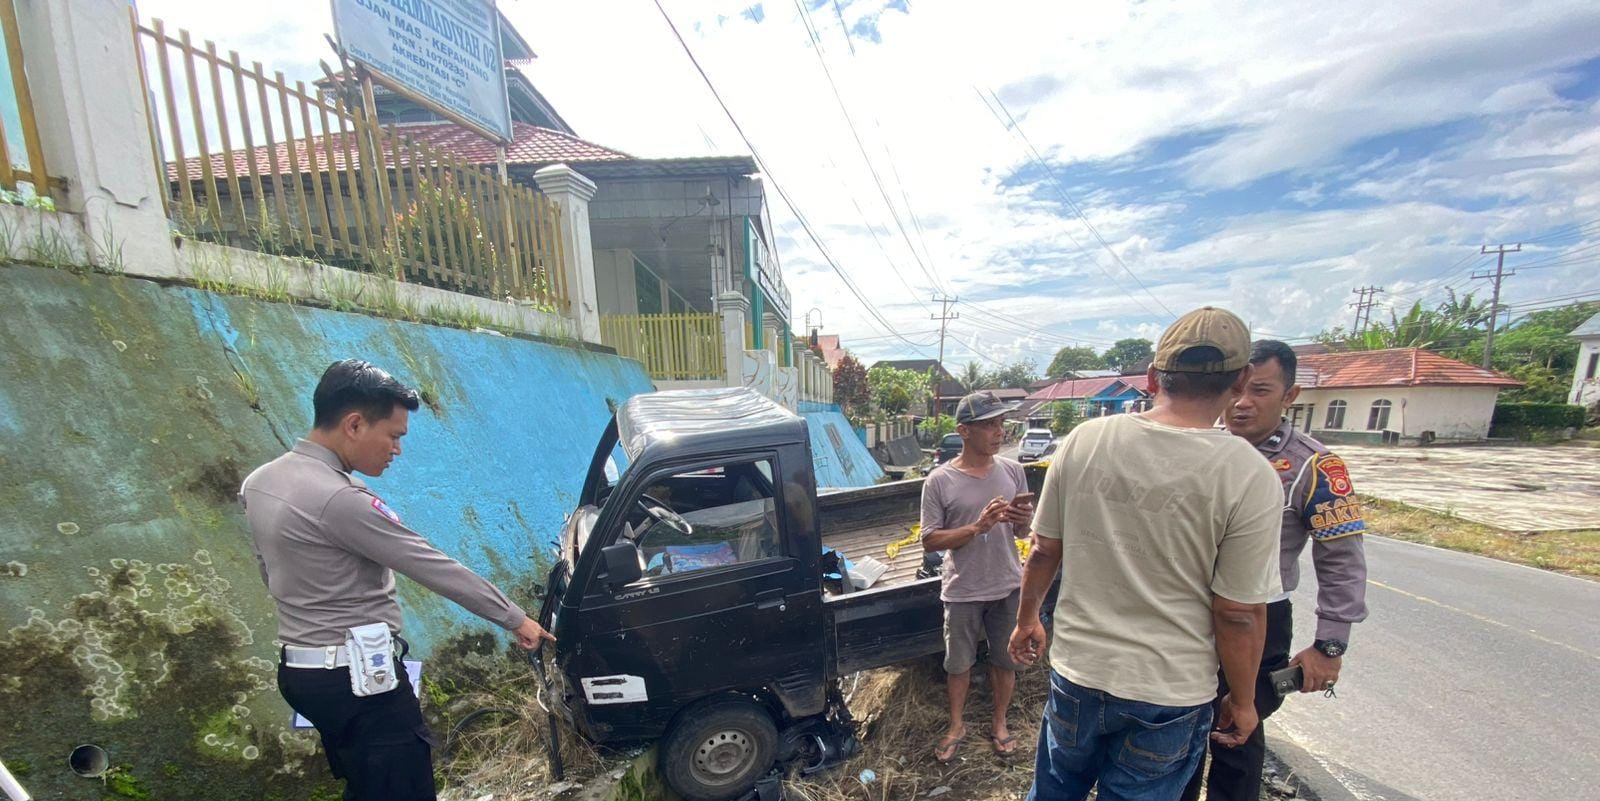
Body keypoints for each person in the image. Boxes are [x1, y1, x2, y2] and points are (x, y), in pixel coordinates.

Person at [239, 360, 554, 801]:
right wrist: (515, 618)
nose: (397, 450)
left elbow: (269, 570)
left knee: (368, 784)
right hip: (359, 682)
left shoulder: (260, 482)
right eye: (393, 436)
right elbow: (431, 565)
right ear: (354, 425)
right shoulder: (340, 500)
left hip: (301, 673)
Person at [1010, 307, 1283, 801]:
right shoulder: (1249, 475)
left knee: (1054, 791)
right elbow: (1238, 612)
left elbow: (1045, 549)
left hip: (1079, 671)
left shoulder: (1086, 440)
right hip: (1168, 693)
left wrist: (1027, 618)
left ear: (1154, 377)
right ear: (1241, 379)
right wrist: (1243, 701)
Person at [1180, 340, 1369, 801]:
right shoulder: (1197, 448)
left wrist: (1329, 644)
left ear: (1290, 395)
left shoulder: (1312, 466)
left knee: (1238, 735)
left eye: (1260, 390)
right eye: (1237, 389)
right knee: (1178, 734)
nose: (1242, 403)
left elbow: (1342, 560)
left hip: (1258, 619)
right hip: (1187, 615)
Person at [920, 391, 1034, 762]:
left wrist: (1023, 520)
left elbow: (1021, 534)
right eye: (989, 425)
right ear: (963, 431)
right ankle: (957, 725)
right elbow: (930, 539)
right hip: (963, 589)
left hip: (1007, 584)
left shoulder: (1012, 471)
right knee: (958, 664)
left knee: (1006, 660)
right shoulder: (939, 480)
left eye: (1001, 423)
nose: (999, 432)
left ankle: (999, 722)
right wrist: (977, 527)